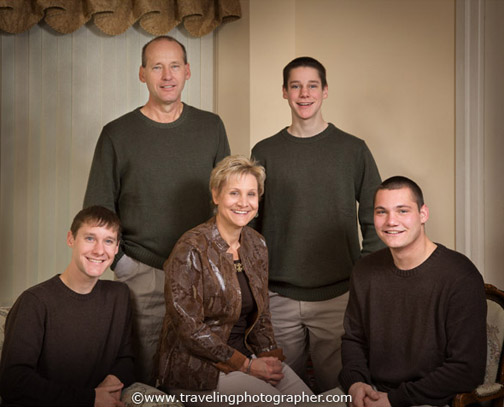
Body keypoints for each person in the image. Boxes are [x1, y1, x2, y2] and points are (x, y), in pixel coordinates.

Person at [83, 35, 230, 384]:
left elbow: (226, 198)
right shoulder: (116, 134)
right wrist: (122, 265)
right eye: (157, 66)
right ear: (142, 74)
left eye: (175, 65)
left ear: (188, 71)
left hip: (199, 273)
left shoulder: (211, 127)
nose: (167, 75)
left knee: (200, 368)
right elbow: (99, 207)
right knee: (146, 370)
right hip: (142, 271)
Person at [250, 56, 384, 392]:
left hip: (337, 295)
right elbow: (248, 222)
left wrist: (364, 273)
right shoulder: (264, 151)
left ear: (325, 91)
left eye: (312, 86)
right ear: (284, 92)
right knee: (280, 391)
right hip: (277, 295)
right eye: (296, 86)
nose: (304, 93)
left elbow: (375, 214)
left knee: (339, 390)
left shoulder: (353, 150)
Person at [157, 155, 314, 407]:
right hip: (199, 371)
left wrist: (269, 359)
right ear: (216, 195)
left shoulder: (256, 244)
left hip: (247, 359)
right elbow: (189, 329)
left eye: (251, 194)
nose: (243, 202)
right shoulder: (191, 247)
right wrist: (247, 365)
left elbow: (262, 315)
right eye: (234, 193)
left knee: (308, 402)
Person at [338, 176, 487, 407]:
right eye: (381, 212)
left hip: (430, 400)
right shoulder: (364, 270)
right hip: (371, 392)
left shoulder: (460, 276)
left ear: (423, 214)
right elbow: (354, 339)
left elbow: (467, 370)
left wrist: (394, 400)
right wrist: (356, 383)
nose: (391, 221)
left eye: (402, 210)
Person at [0, 206, 135, 406]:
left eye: (108, 241)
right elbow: (13, 382)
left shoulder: (119, 296)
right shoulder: (34, 302)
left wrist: (112, 381)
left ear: (116, 249)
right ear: (71, 239)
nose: (99, 250)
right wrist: (90, 398)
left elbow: (128, 359)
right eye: (90, 238)